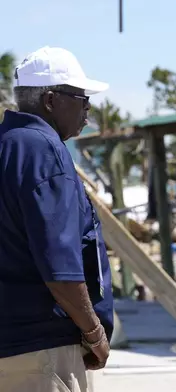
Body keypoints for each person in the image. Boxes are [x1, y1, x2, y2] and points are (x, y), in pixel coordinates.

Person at [0, 46, 113, 392]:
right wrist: (94, 332)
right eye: (81, 98)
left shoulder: (7, 145)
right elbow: (59, 265)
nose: (87, 109)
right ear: (50, 100)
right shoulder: (45, 151)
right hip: (41, 353)